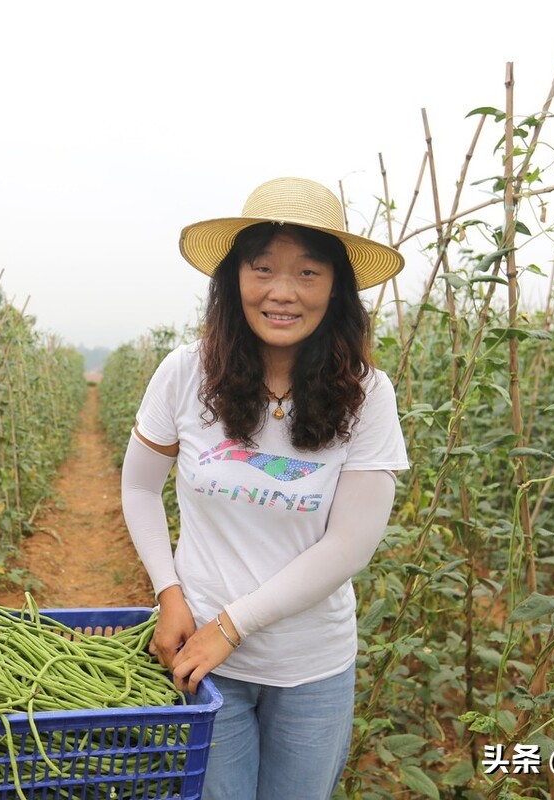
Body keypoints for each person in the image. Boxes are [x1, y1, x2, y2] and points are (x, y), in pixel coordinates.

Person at [121, 177, 409, 799]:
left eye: (308, 272)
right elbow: (140, 489)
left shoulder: (368, 395)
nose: (282, 292)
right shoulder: (186, 373)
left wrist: (231, 626)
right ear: (234, 279)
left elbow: (350, 546)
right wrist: (170, 594)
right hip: (201, 657)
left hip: (311, 666)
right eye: (263, 269)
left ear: (336, 288)